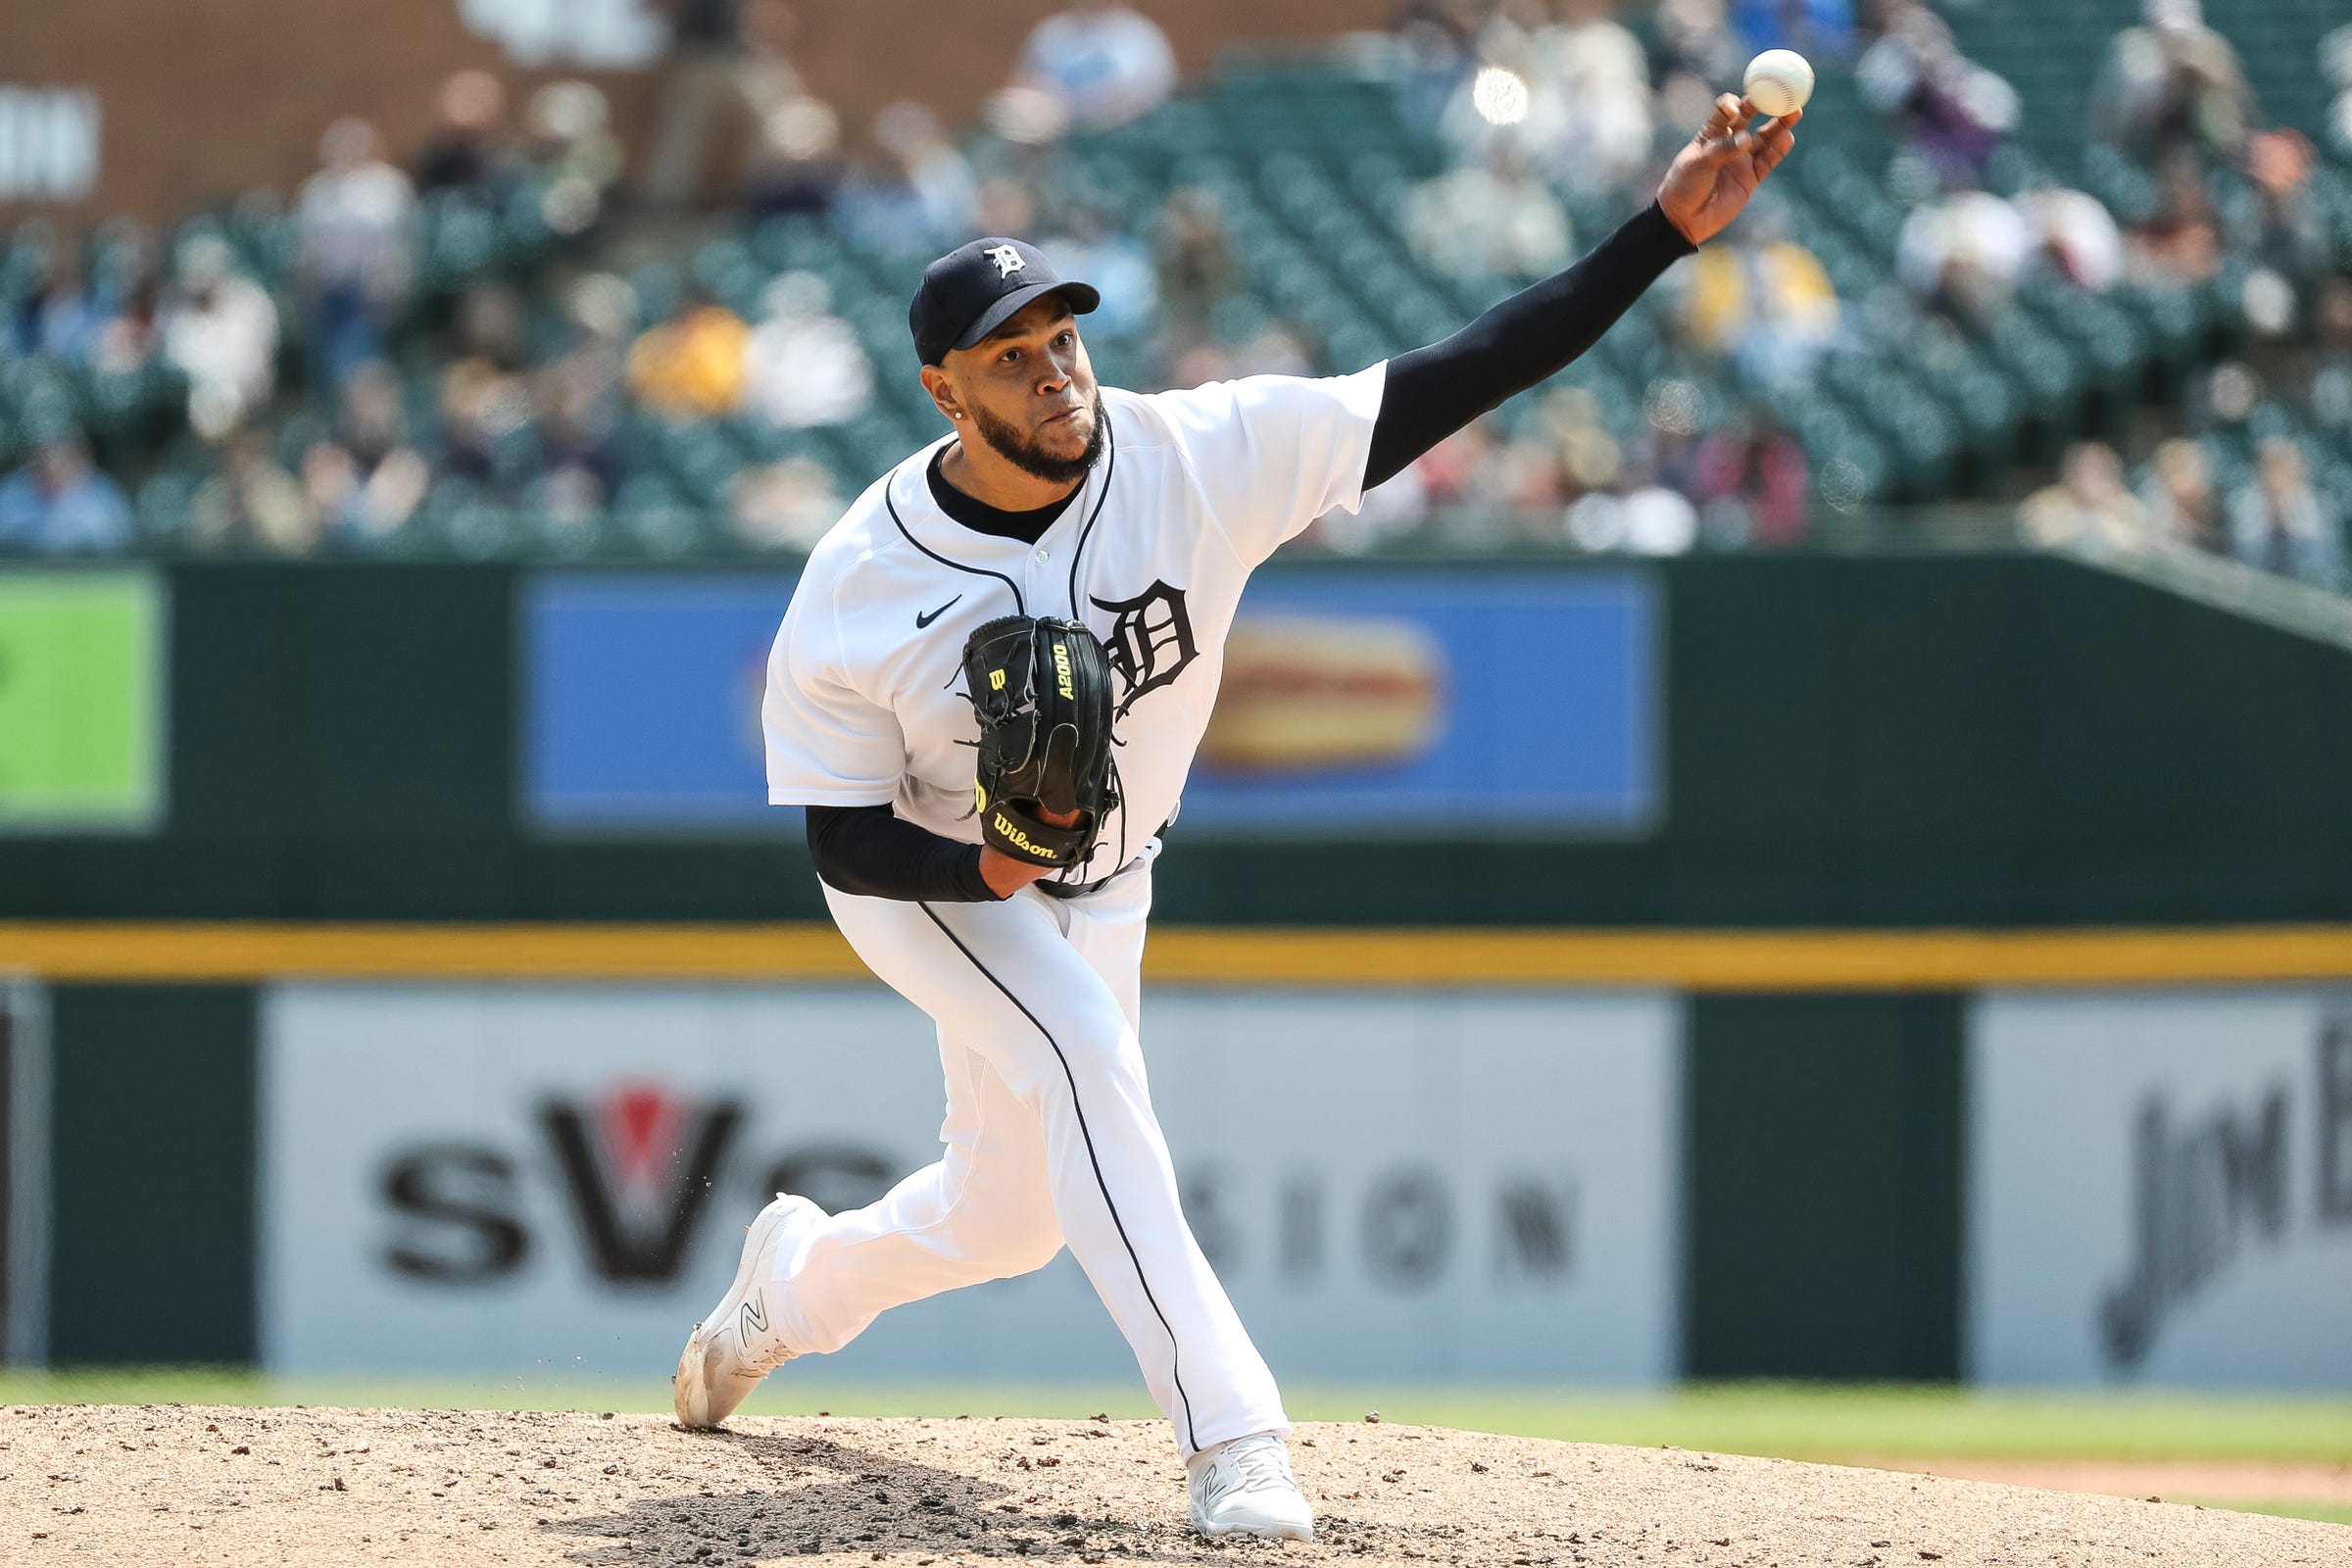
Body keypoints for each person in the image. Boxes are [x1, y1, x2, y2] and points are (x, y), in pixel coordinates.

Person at [669, 92, 1799, 1541]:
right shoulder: (861, 580)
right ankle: (1233, 1435)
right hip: (924, 882)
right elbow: (837, 837)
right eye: (1010, 359)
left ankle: (789, 1289)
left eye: (1062, 336)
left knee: (1012, 1217)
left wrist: (1657, 235)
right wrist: (987, 863)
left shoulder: (1199, 455)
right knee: (1081, 1050)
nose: (1054, 371)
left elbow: (1462, 373)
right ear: (945, 394)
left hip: (1108, 875)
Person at [1013, 0, 1177, 133]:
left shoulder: (1143, 36)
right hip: (1055, 139)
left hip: (1122, 139)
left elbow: (1150, 101)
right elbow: (1022, 89)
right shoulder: (1049, 33)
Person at [2228, 437, 2342, 592]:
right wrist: (2272, 523)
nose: (2277, 480)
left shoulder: (2319, 506)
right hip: (2257, 591)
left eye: (2284, 471)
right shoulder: (2245, 504)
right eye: (2271, 471)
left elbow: (2322, 564)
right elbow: (2244, 560)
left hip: (2305, 592)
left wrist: (2289, 524)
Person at [0, 433, 135, 554]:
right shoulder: (10, 493)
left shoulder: (104, 499)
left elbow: (121, 550)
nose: (50, 466)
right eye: (42, 457)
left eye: (59, 456)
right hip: (23, 576)